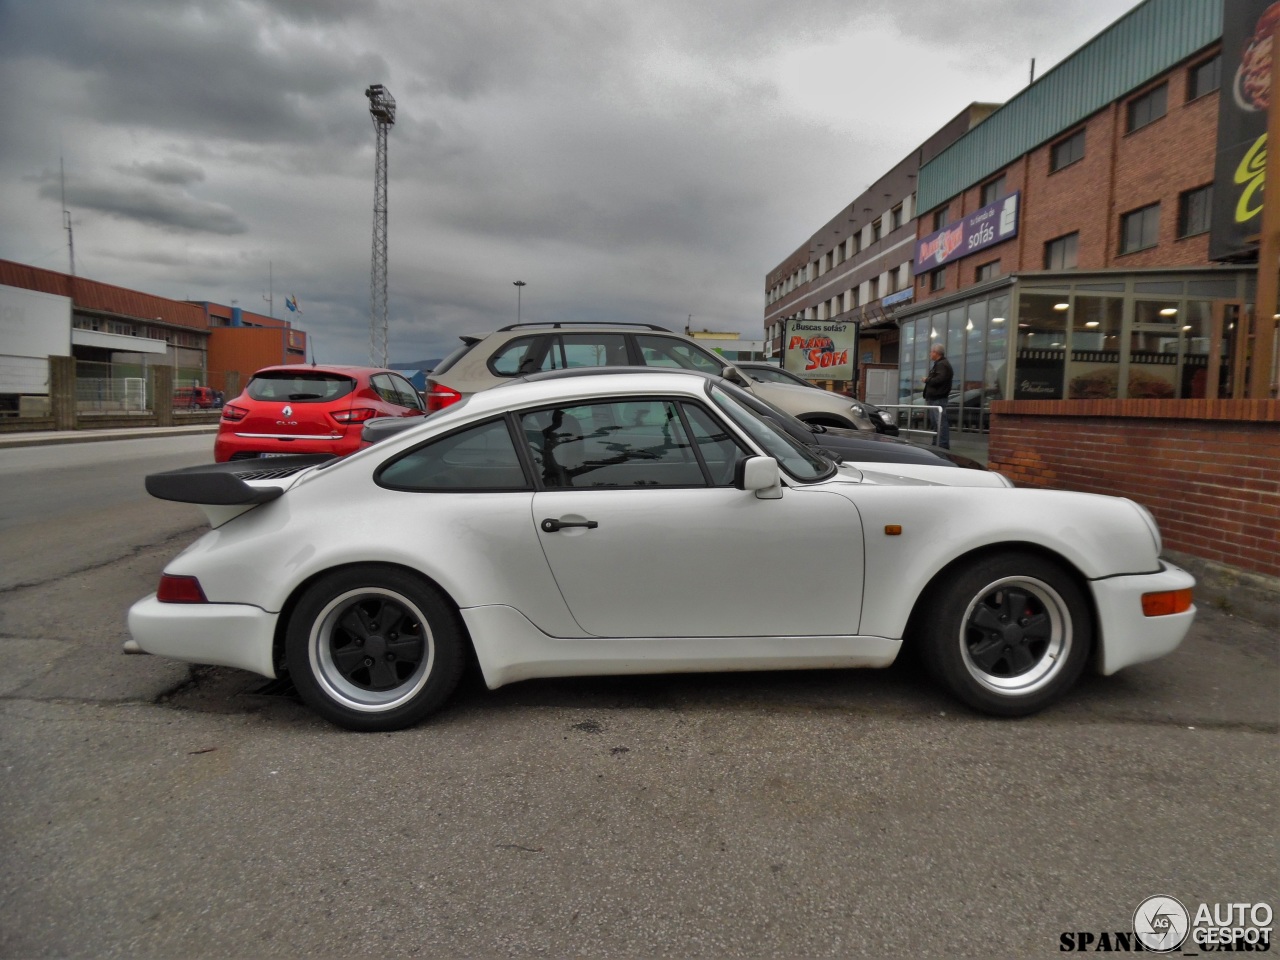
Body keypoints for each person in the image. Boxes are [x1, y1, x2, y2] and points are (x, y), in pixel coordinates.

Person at [922, 344, 953, 449]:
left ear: (936, 353)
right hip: (935, 398)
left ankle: (942, 444)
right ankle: (937, 443)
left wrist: (927, 380)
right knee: (936, 423)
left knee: (940, 423)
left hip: (938, 399)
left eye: (931, 352)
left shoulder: (942, 365)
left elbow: (940, 379)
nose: (930, 354)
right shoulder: (940, 364)